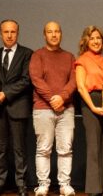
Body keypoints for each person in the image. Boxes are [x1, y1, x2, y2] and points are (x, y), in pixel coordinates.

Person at [30, 21, 77, 196]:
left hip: (66, 109)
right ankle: (43, 185)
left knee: (65, 149)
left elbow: (74, 80)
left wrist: (62, 97)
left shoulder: (69, 57)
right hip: (43, 108)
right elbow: (36, 79)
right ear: (45, 35)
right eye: (50, 32)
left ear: (61, 34)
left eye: (57, 31)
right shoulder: (37, 55)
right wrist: (52, 98)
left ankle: (64, 185)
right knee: (43, 149)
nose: (54, 34)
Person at [0, 19, 34, 196]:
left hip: (18, 106)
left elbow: (26, 80)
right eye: (6, 32)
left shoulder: (27, 54)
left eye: (12, 32)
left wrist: (5, 93)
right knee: (0, 149)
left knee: (19, 149)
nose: (9, 35)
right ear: (0, 34)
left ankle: (21, 184)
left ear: (17, 33)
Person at [75, 26, 103, 196]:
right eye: (92, 38)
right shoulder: (82, 60)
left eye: (98, 38)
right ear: (86, 41)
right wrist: (93, 107)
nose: (96, 41)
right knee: (93, 145)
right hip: (90, 103)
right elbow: (81, 87)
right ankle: (93, 189)